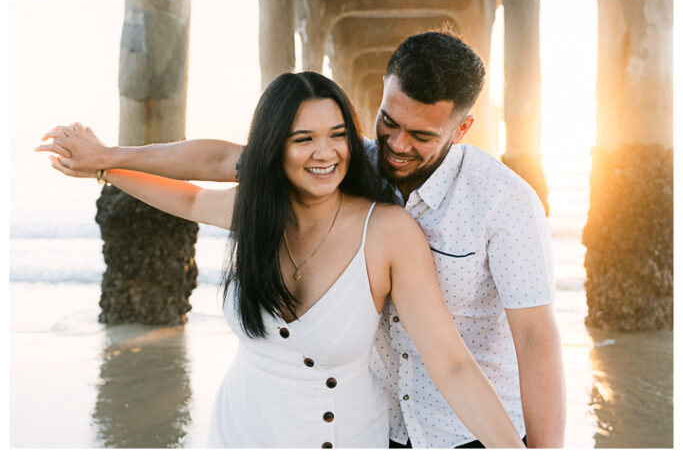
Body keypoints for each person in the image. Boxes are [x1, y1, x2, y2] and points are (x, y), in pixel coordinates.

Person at [40, 31, 566, 447]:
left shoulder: (504, 204)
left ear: (463, 126)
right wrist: (107, 160)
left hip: (466, 431)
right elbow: (217, 170)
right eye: (388, 122)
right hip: (382, 424)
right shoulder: (343, 163)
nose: (397, 146)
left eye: (422, 136)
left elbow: (534, 340)